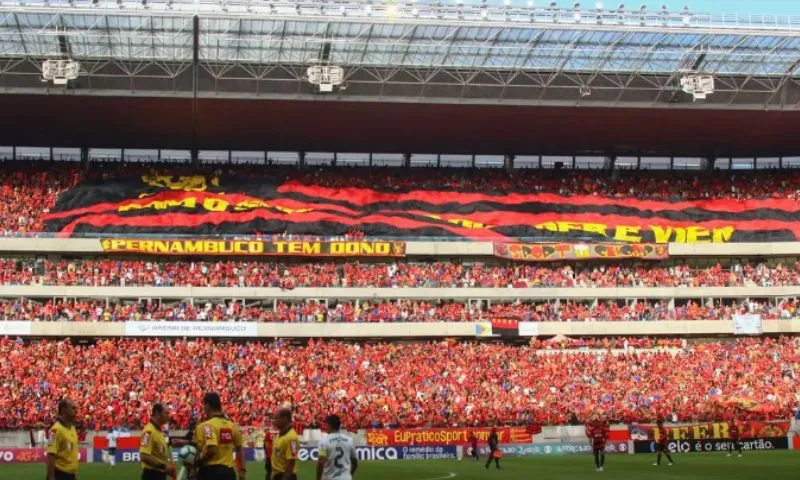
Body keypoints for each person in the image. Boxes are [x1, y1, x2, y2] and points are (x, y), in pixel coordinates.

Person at [192, 393, 246, 480]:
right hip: (229, 473)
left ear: (208, 405)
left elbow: (212, 449)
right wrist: (242, 470)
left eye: (204, 405)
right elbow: (239, 449)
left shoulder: (207, 426)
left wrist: (198, 461)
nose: (204, 408)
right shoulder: (232, 426)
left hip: (210, 472)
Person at [140, 403, 177, 480]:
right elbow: (144, 456)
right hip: (152, 475)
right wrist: (164, 467)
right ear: (157, 413)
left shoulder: (159, 431)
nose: (168, 416)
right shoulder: (148, 431)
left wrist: (166, 470)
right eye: (166, 413)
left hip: (160, 475)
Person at [46, 399, 80, 480]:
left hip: (70, 475)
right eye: (73, 408)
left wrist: (74, 474)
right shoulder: (54, 431)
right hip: (60, 474)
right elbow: (50, 455)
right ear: (64, 410)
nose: (76, 411)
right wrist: (51, 477)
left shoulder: (72, 428)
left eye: (77, 408)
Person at [316, 414, 357, 480]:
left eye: (326, 425)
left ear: (329, 425)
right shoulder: (349, 440)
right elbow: (354, 463)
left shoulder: (324, 441)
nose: (325, 427)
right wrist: (349, 475)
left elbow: (321, 462)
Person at [271, 407, 300, 480]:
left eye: (277, 418)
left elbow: (291, 463)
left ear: (285, 419)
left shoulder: (292, 438)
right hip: (277, 475)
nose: (274, 421)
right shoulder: (279, 434)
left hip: (286, 476)